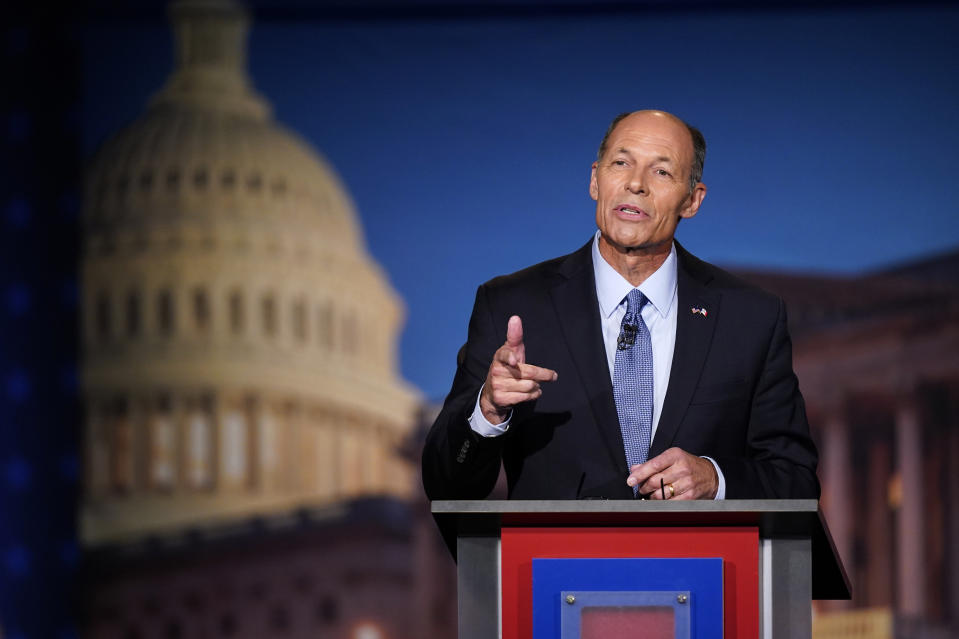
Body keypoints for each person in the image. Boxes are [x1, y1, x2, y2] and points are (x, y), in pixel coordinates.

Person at [422, 109, 819, 502]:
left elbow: (795, 480)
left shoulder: (749, 318)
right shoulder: (513, 305)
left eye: (661, 172)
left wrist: (715, 480)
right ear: (595, 180)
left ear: (692, 200)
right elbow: (446, 483)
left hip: (699, 564)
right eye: (621, 163)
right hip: (555, 564)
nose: (635, 184)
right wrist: (488, 413)